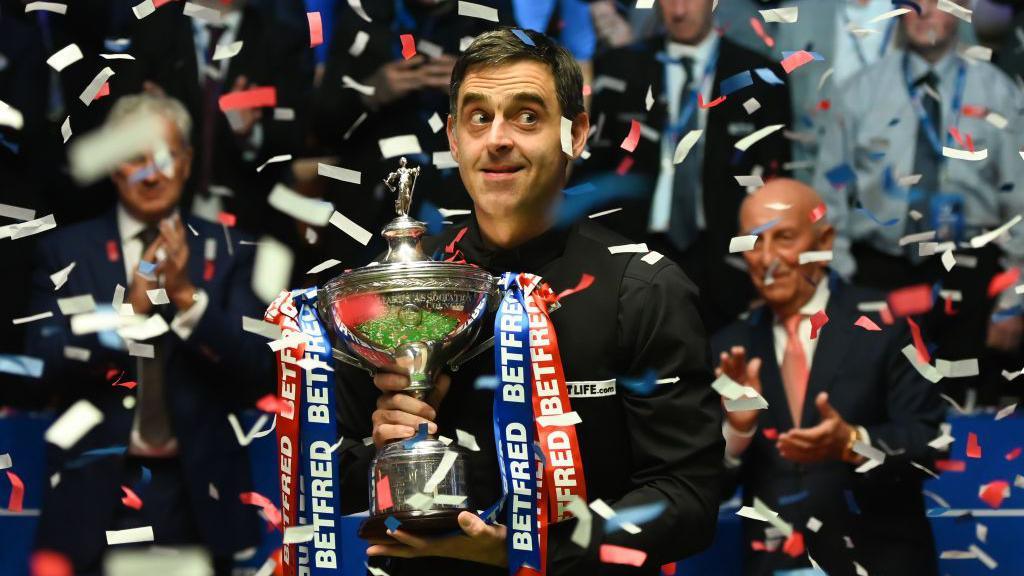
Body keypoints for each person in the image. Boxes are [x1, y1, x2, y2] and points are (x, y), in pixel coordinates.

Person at [334, 28, 724, 575]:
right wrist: (389, 452)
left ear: (576, 133)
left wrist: (525, 553)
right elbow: (332, 472)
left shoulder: (642, 289)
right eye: (478, 117)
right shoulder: (402, 286)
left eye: (526, 117)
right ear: (453, 138)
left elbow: (687, 499)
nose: (497, 139)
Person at [25, 93, 273, 575]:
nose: (152, 174)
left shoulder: (231, 250)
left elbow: (258, 364)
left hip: (201, 497)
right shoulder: (66, 252)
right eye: (135, 158)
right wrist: (127, 314)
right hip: (93, 495)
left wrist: (186, 298)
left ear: (187, 163)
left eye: (165, 157)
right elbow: (41, 361)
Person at [712, 179, 945, 576]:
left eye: (784, 238)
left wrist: (854, 442)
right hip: (776, 565)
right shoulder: (729, 347)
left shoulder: (887, 324)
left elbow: (931, 444)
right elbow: (707, 488)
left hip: (879, 562)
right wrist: (737, 431)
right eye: (753, 242)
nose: (767, 259)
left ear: (824, 242)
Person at [812, 0, 1024, 404]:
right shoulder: (859, 92)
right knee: (873, 407)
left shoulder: (998, 93)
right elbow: (829, 196)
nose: (924, 10)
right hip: (878, 272)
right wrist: (841, 288)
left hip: (969, 276)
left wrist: (1014, 301)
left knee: (964, 413)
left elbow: (1020, 203)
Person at [577, 0, 793, 334]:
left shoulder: (759, 77)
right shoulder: (620, 68)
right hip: (635, 256)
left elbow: (776, 185)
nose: (678, 11)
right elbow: (595, 173)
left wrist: (765, 275)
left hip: (726, 262)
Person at [310, 0, 514, 268]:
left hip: (464, 200)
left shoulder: (487, 15)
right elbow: (320, 127)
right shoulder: (364, 15)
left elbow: (520, 112)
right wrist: (371, 92)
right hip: (371, 205)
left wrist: (474, 88)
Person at [125, 0, 312, 235]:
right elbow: (116, 120)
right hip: (163, 211)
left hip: (251, 216)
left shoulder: (280, 36)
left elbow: (295, 133)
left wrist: (250, 134)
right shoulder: (153, 28)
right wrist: (149, 115)